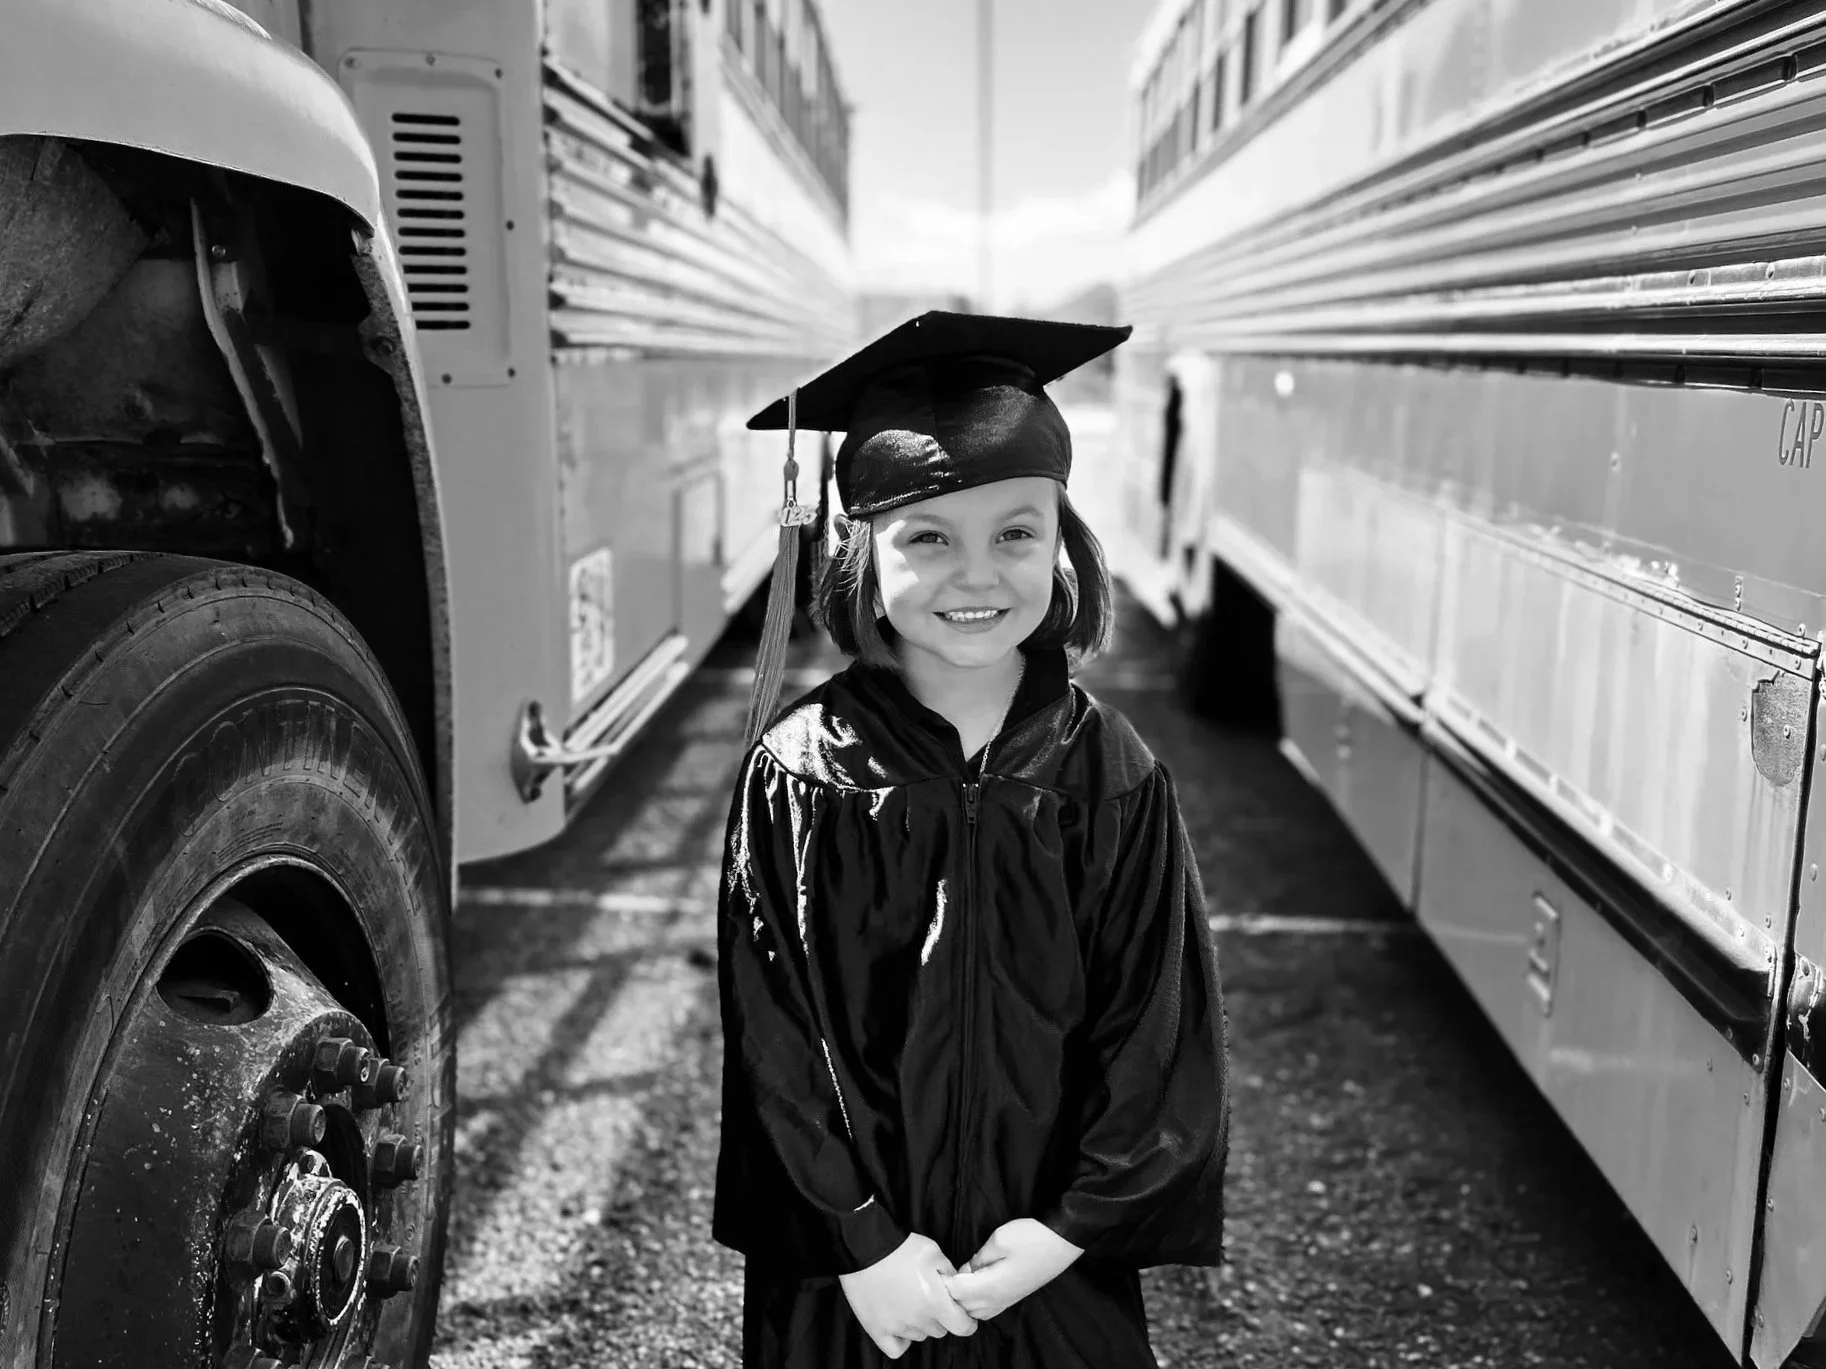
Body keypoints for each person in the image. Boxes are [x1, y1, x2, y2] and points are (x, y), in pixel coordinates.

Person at [713, 312, 1229, 1368]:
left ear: (1063, 543)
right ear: (859, 547)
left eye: (1015, 533)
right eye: (928, 536)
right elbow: (772, 1039)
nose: (976, 574)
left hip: (1045, 1265)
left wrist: (1065, 1230)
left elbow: (1156, 1029)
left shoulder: (1109, 777)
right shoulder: (801, 772)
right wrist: (859, 1240)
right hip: (853, 1282)